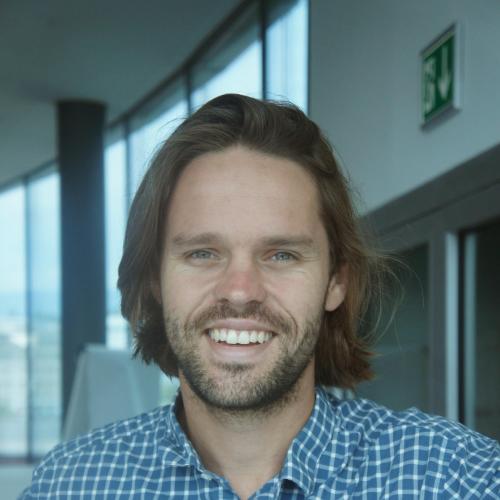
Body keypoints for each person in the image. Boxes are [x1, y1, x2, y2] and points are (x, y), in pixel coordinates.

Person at [21, 94, 499, 499]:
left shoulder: (455, 479)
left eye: (282, 255)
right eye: (203, 253)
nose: (240, 290)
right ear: (154, 282)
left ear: (335, 282)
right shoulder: (69, 485)